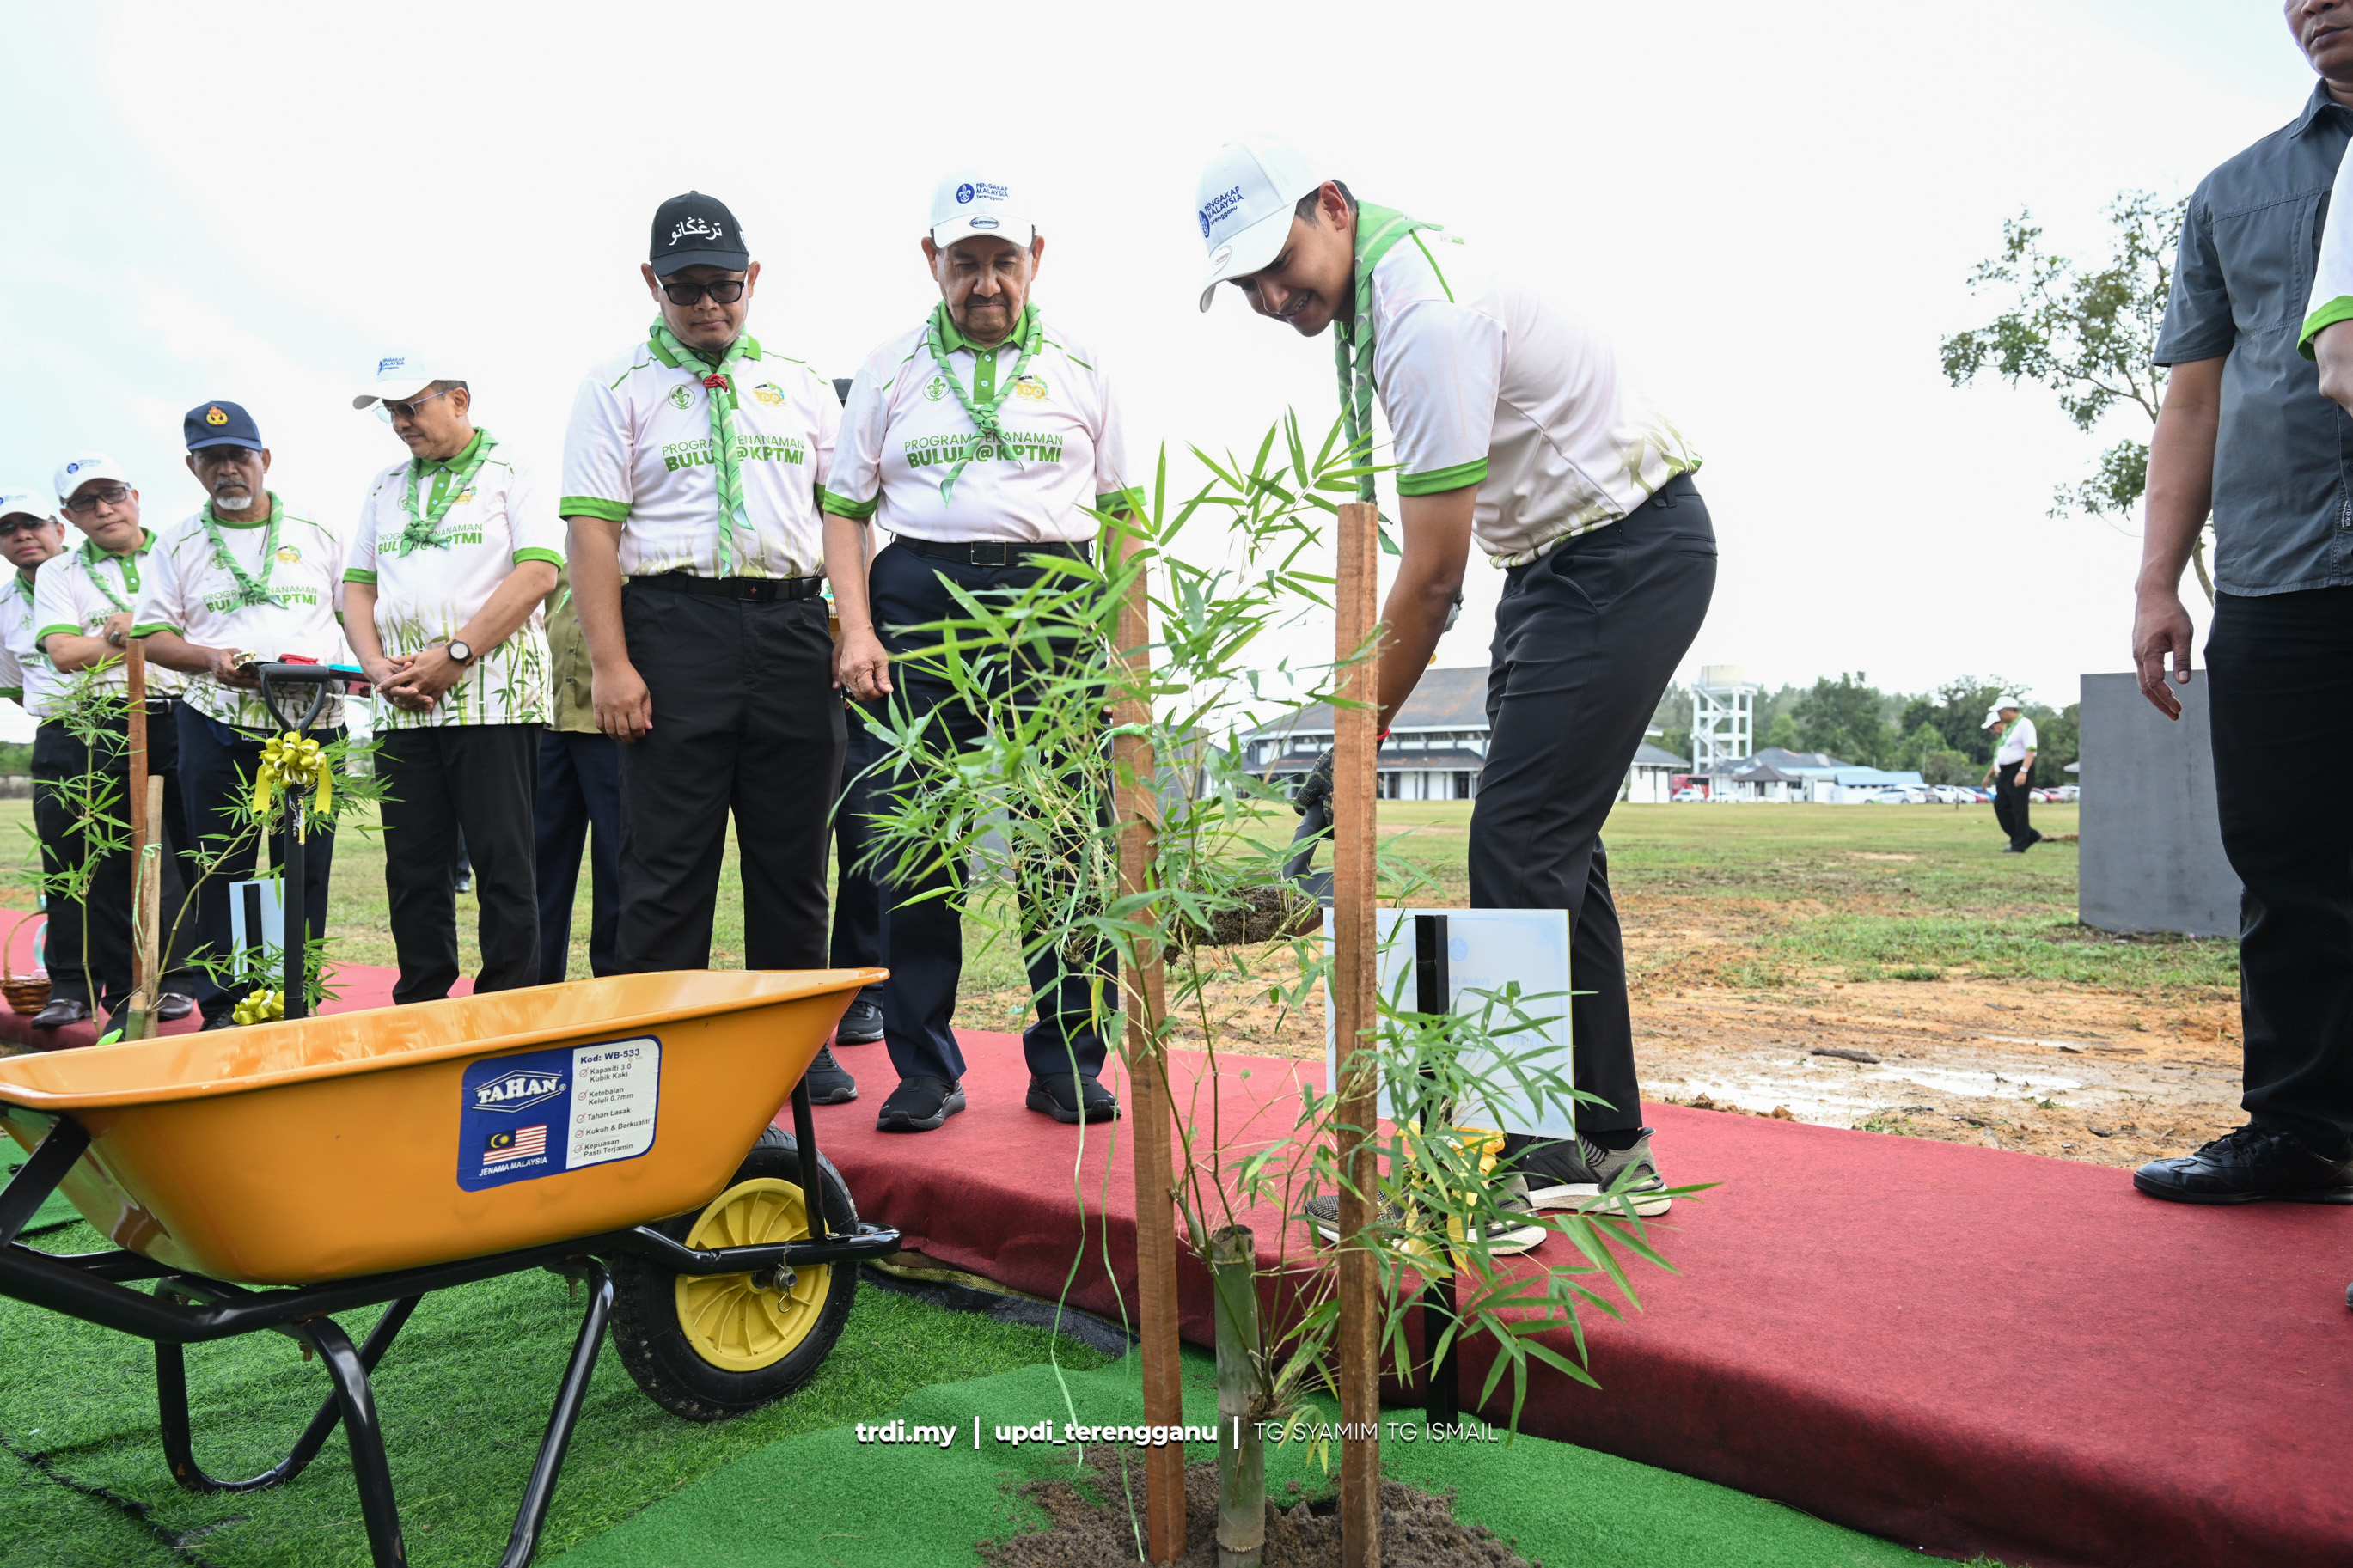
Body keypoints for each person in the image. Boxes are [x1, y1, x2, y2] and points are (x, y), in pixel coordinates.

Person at [1195, 136, 1711, 1217]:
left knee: (1517, 843)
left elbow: (1429, 583)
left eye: (1276, 258)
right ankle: (1604, 1148)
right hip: (1553, 565)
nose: (1268, 292)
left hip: (1620, 554)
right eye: (1243, 281)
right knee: (1560, 853)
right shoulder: (1376, 296)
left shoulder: (1424, 314)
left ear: (1331, 205)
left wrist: (1354, 737)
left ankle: (1514, 1174)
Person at [822, 170, 1136, 1134]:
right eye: (965, 263)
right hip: (918, 592)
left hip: (1055, 595)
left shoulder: (1082, 365)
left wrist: (1126, 654)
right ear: (934, 262)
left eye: (1003, 261)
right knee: (921, 840)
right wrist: (856, 627)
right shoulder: (888, 367)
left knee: (1065, 839)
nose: (985, 283)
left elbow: (1122, 513)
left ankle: (1067, 1061)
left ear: (1034, 260)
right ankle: (925, 1064)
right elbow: (843, 507)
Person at [2129, 0, 2353, 1205]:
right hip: (2276, 567)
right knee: (2284, 853)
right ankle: (2300, 1130)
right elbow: (2194, 404)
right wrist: (2158, 579)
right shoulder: (2234, 192)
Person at [559, 191, 854, 1097]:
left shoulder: (802, 386)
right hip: (671, 630)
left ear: (752, 278)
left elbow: (841, 516)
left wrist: (853, 627)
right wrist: (611, 666)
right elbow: (591, 535)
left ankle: (794, 1052)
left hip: (793, 626)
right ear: (652, 284)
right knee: (666, 864)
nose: (707, 307)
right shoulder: (615, 389)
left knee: (793, 859)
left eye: (724, 285)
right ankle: (656, 1053)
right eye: (685, 289)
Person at [345, 353, 562, 1003]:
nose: (401, 422)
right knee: (411, 867)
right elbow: (358, 586)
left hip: (494, 698)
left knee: (504, 865)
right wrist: (375, 663)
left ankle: (508, 1005)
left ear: (459, 400)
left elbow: (539, 573)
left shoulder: (510, 470)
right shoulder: (384, 486)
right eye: (391, 411)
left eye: (413, 406)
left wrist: (457, 654)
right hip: (403, 703)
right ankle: (421, 1002)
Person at [133, 401, 346, 1029]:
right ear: (193, 466)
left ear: (265, 460)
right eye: (213, 458)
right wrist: (208, 658)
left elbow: (355, 614)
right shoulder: (177, 542)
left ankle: (294, 996)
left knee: (302, 863)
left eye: (239, 456)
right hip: (216, 721)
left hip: (310, 725)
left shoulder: (316, 531)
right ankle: (227, 1005)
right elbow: (149, 635)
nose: (229, 469)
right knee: (222, 867)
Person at [31, 457, 203, 1029]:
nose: (103, 509)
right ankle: (125, 986)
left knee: (186, 850)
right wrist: (129, 634)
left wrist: (133, 633)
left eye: (112, 494)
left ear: (135, 495)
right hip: (100, 719)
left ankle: (180, 978)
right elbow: (61, 652)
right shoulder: (62, 572)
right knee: (105, 857)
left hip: (182, 712)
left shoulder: (180, 549)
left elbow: (205, 635)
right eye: (86, 502)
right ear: (68, 517)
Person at [0, 486, 102, 1031]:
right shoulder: (3, 608)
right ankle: (70, 984)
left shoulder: (98, 575)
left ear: (60, 529)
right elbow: (16, 685)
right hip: (60, 732)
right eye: (8, 529)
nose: (22, 535)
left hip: (128, 725)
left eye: (32, 524)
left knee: (146, 857)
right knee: (66, 865)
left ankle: (158, 981)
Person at [532, 567, 622, 983]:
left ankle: (614, 988)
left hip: (614, 725)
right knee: (538, 866)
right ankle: (535, 986)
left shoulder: (639, 547)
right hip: (546, 721)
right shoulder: (548, 540)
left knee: (618, 868)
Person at [1981, 698, 2040, 853]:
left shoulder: (2024, 724)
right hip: (2005, 771)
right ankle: (2029, 835)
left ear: (2010, 710)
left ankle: (2018, 844)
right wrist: (1988, 775)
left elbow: (2031, 750)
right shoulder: (2009, 728)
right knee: (2001, 805)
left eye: (2001, 712)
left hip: (2019, 768)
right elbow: (2001, 754)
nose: (1999, 716)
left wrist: (2023, 771)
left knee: (2019, 808)